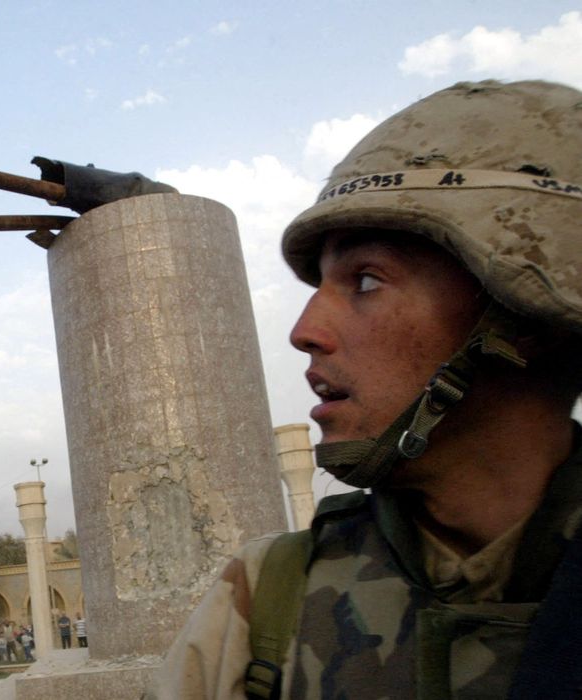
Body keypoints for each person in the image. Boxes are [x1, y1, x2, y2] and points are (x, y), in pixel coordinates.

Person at [151, 79, 582, 699]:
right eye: (320, 283)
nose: (305, 332)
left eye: (368, 281)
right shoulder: (268, 602)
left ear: (522, 316)